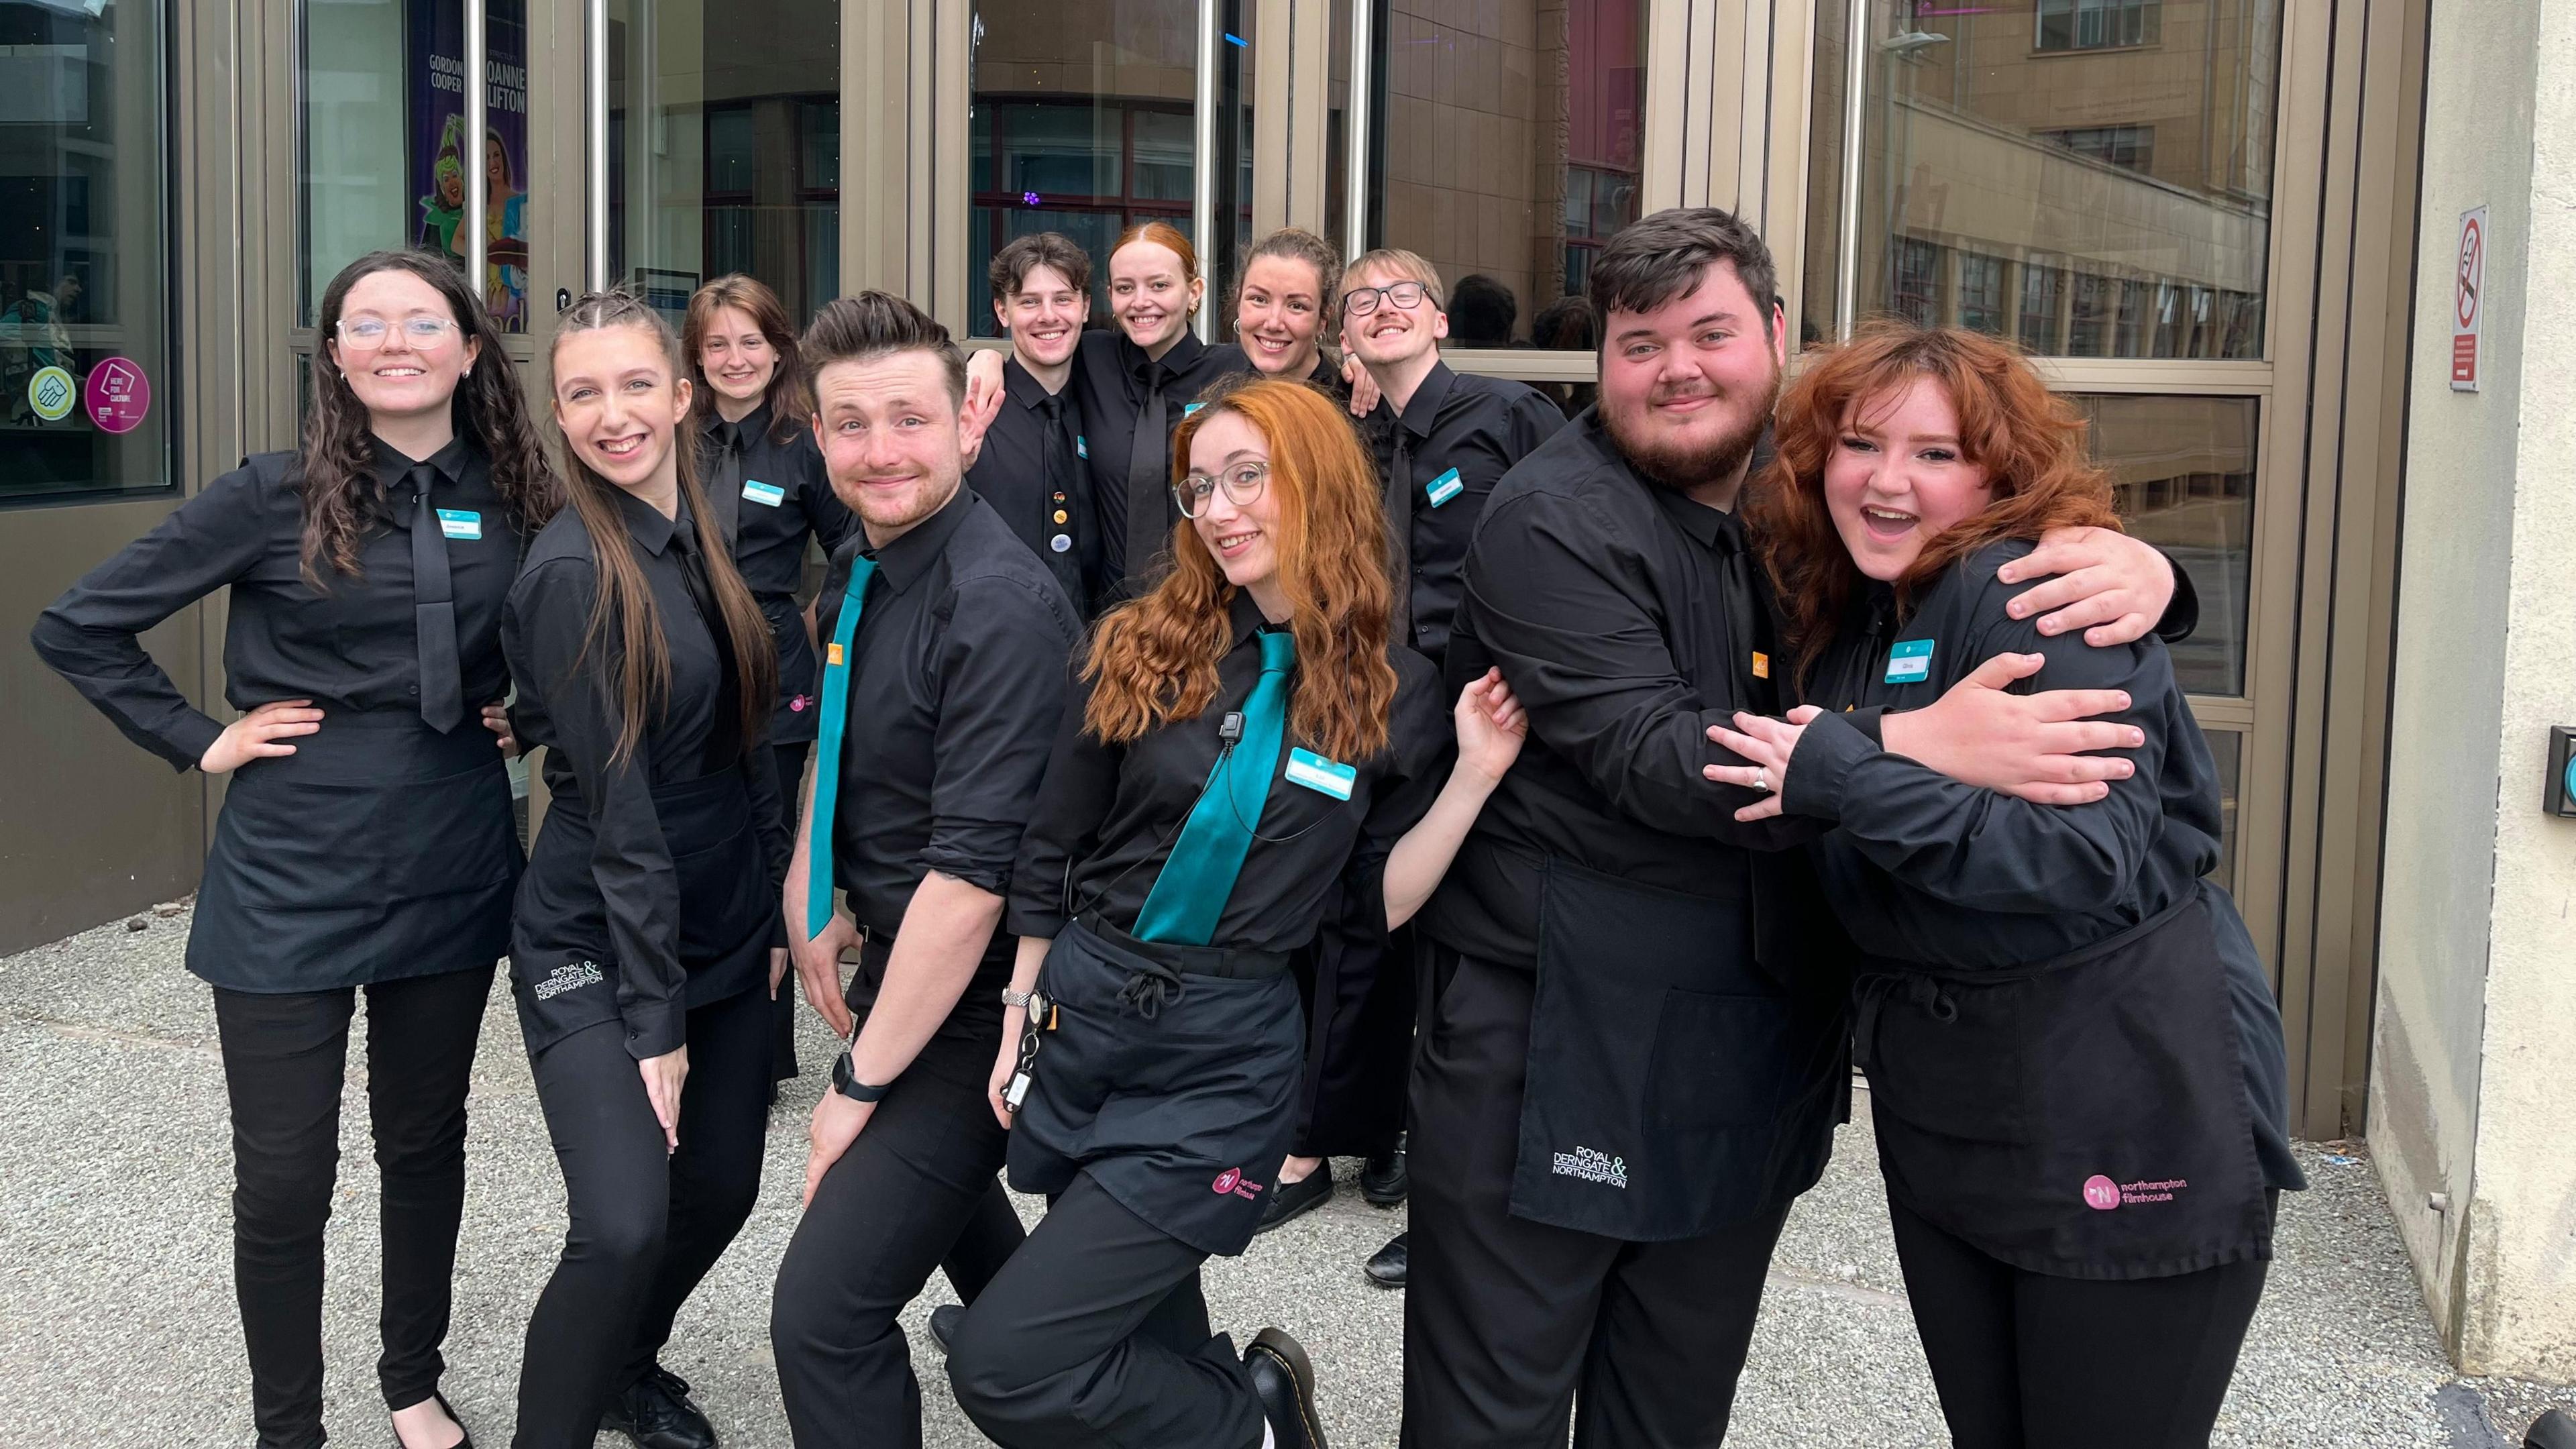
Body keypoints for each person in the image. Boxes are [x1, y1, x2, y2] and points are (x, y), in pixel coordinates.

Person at [1404, 207, 2192, 1447]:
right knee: (1491, 1415)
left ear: (1774, 333)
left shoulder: (1809, 486)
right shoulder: (1550, 521)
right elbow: (1660, 760)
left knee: (1671, 1408)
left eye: (1710, 332)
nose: (1678, 369)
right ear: (1600, 358)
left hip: (1750, 1044)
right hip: (1558, 1042)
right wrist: (1909, 744)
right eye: (1639, 342)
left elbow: (1964, 516)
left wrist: (2141, 572)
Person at [1708, 321, 2302, 1448]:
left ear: (2000, 476)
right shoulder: (1845, 610)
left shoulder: (2035, 592)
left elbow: (2082, 858)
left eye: (1935, 455)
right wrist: (1895, 741)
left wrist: (1846, 767)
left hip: (2118, 1089)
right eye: (1861, 443)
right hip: (1954, 1110)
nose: (1887, 482)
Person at [32, 247, 555, 1449]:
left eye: (421, 322)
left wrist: (526, 718)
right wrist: (198, 741)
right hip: (292, 859)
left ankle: (410, 1378)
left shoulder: (523, 494)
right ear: (335, 357)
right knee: (284, 1180)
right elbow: (81, 625)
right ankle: (289, 1429)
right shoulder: (269, 493)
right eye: (363, 324)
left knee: (425, 1141)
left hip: (454, 845)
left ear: (470, 351)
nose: (393, 342)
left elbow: (581, 626)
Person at [943, 377, 1527, 1449]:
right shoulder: (1143, 644)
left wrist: (1475, 779)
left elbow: (1372, 901)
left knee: (1003, 1365)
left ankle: (1248, 1427)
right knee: (1141, 1333)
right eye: (1200, 486)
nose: (1217, 510)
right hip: (1086, 1016)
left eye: (1246, 478)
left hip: (1221, 1059)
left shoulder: (1394, 692)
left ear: (1318, 486)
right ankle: (1225, 1392)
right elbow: (1054, 839)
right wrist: (1022, 1000)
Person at [764, 292, 1083, 1446]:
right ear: (816, 434)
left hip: (989, 1004)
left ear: (966, 427)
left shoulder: (995, 606)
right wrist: (814, 890)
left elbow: (971, 886)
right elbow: (841, 733)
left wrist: (854, 1090)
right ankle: (1174, 1404)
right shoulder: (866, 559)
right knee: (964, 1239)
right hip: (906, 960)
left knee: (824, 1317)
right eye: (852, 426)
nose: (881, 450)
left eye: (909, 419)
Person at [500, 290, 788, 1449]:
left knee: (720, 1187)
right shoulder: (575, 570)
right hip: (598, 938)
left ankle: (624, 1365)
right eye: (582, 393)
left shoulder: (698, 526)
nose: (611, 414)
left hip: (719, 923)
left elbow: (748, 745)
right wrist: (653, 1021)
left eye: (634, 385)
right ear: (558, 415)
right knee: (622, 1222)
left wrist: (776, 918)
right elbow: (620, 814)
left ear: (681, 396)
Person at [1257, 250, 1570, 1276]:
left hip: (1487, 723)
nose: (1381, 312)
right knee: (1363, 926)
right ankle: (1340, 1140)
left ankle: (1447, 1200)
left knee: (1466, 970)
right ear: (1342, 336)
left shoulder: (1507, 416)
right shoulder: (1350, 436)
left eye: (1402, 298)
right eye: (1360, 303)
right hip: (1374, 716)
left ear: (1439, 319)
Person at [683, 273, 863, 1085]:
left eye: (750, 341)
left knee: (767, 844)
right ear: (695, 354)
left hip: (774, 662)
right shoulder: (672, 432)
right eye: (717, 344)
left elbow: (855, 545)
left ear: (779, 348)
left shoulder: (803, 443)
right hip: (682, 654)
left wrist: (816, 627)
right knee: (693, 827)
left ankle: (762, 1049)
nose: (734, 358)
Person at [965, 233, 1101, 606]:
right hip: (993, 640)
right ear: (1002, 311)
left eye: (1063, 299)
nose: (1048, 316)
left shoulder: (1109, 400)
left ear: (1085, 307)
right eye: (1029, 302)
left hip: (1105, 642)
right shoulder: (972, 411)